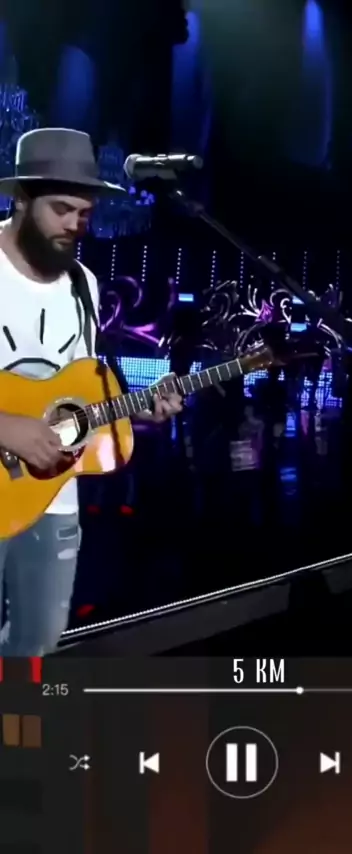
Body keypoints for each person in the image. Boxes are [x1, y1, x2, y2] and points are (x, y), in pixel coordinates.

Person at [0, 128, 182, 656]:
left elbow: (76, 394)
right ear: (21, 198)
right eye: (62, 209)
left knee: (36, 645)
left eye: (84, 213)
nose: (76, 225)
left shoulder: (84, 284)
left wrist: (137, 412)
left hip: (55, 499)